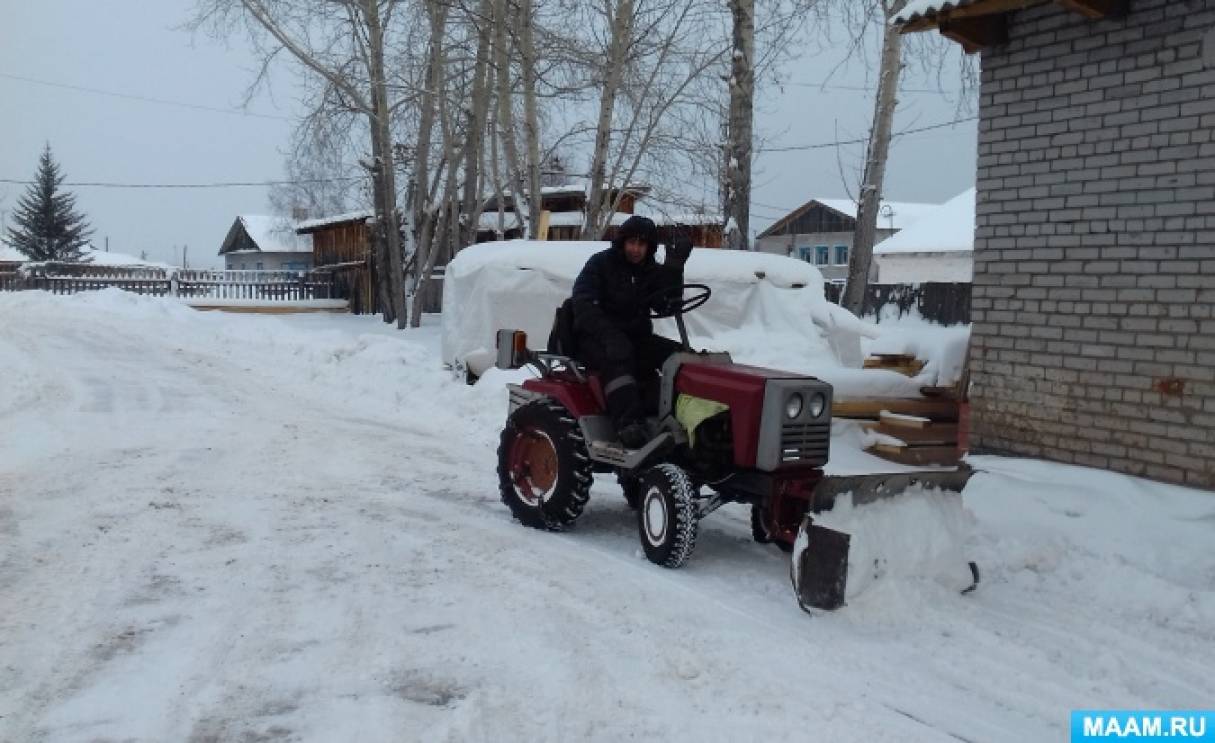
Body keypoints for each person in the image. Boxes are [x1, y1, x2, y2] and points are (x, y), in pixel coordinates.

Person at [569, 215, 694, 448]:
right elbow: (583, 305)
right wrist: (609, 335)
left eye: (642, 244)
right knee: (620, 356)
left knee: (679, 356)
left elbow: (667, 305)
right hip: (594, 336)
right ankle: (628, 424)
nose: (636, 249)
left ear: (650, 247)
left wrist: (674, 268)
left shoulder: (650, 271)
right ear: (622, 242)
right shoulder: (600, 264)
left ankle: (683, 416)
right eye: (631, 243)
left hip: (635, 336)